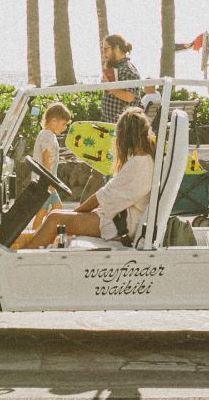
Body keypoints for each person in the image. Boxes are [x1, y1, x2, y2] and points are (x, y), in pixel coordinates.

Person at [18, 108, 156, 249]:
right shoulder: (143, 160)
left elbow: (101, 197)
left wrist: (76, 213)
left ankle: (20, 261)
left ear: (126, 135)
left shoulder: (139, 163)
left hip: (118, 225)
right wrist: (75, 215)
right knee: (54, 215)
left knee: (55, 219)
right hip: (117, 219)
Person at [31, 102, 72, 229]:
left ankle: (39, 234)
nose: (65, 127)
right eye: (64, 124)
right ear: (54, 121)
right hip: (45, 182)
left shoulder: (47, 134)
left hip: (46, 181)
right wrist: (50, 182)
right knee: (46, 211)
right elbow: (45, 160)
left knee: (54, 209)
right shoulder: (47, 136)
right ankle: (35, 236)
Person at [100, 34, 141, 123]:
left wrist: (110, 86)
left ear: (116, 48)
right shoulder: (116, 68)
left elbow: (130, 97)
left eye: (106, 49)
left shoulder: (127, 69)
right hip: (113, 125)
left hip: (124, 126)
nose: (104, 53)